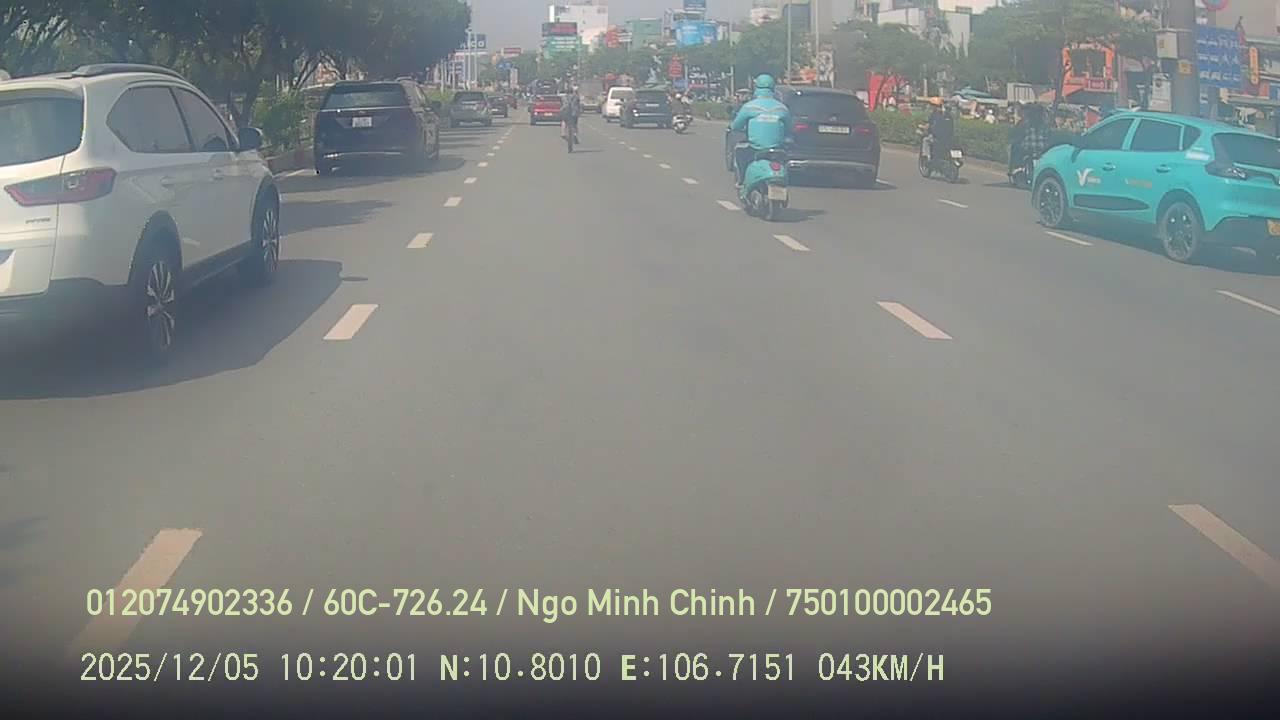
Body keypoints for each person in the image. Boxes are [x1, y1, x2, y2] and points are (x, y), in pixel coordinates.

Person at [728, 74, 793, 188]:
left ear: (756, 88)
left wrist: (733, 127)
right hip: (777, 149)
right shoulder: (782, 108)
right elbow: (789, 129)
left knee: (739, 152)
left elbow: (736, 126)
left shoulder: (749, 107)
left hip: (755, 148)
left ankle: (741, 181)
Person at [1009, 103, 1050, 176]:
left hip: (1028, 149)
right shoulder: (1045, 124)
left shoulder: (1024, 123)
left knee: (1014, 146)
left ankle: (1016, 168)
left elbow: (1016, 135)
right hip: (1043, 150)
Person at [922, 97, 954, 163]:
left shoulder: (934, 114)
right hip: (948, 138)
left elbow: (929, 126)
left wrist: (924, 128)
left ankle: (927, 158)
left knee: (925, 140)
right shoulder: (948, 115)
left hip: (937, 137)